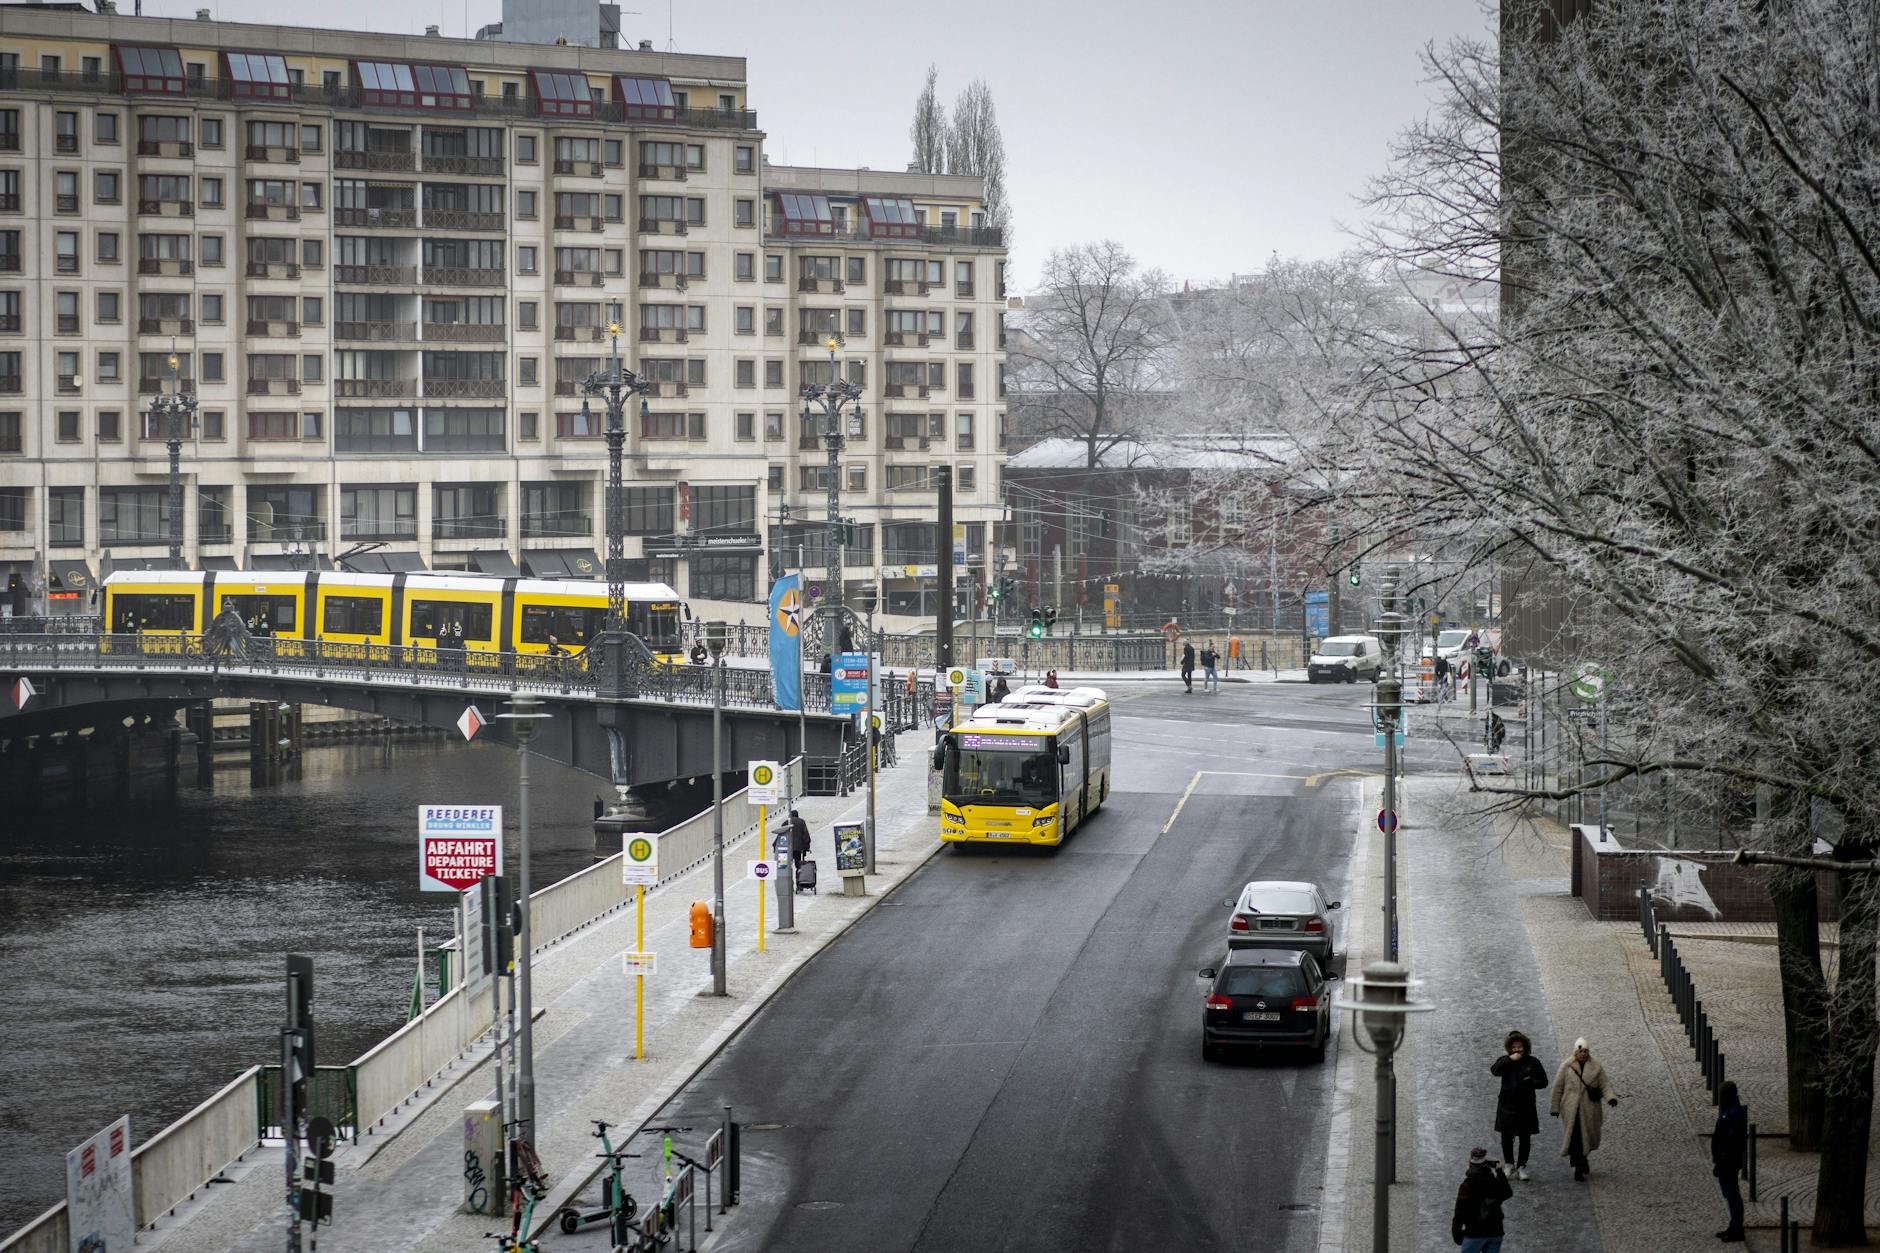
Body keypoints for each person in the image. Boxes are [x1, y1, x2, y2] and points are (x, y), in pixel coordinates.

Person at [1550, 1037, 1619, 1182]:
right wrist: (1555, 1107)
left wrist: (1611, 1098)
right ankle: (1578, 1167)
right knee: (1575, 1138)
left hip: (1589, 1109)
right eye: (1581, 1051)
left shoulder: (1596, 1067)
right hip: (1571, 1109)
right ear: (1576, 1052)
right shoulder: (1566, 1066)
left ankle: (1582, 1160)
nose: (1583, 1054)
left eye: (1586, 1051)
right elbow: (1558, 1087)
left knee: (1587, 1135)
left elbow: (1604, 1084)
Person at [1491, 1030, 1549, 1181]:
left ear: (1525, 1047)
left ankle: (1522, 1166)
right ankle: (1509, 1165)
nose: (1517, 1049)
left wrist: (1531, 1083)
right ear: (1509, 1048)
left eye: (1520, 1047)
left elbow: (1544, 1082)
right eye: (1514, 1047)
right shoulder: (1505, 1060)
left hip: (1526, 1106)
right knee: (1506, 1137)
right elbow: (1495, 1071)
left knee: (1525, 1137)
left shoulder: (1533, 1062)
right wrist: (1509, 1060)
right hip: (1507, 1105)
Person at [1451, 1146, 1513, 1251]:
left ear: (1470, 1164)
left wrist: (1456, 1235)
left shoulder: (1467, 1186)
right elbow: (1507, 1193)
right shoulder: (1494, 1182)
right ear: (1486, 1165)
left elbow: (1459, 1212)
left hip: (1474, 1234)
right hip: (1495, 1232)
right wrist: (1500, 1173)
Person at [1712, 1080, 1747, 1242]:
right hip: (1724, 1161)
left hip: (1728, 1162)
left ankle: (1737, 1229)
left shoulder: (1734, 1114)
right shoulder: (1730, 1111)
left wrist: (1722, 1159)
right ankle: (1734, 1225)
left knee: (1733, 1195)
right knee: (1730, 1194)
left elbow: (1731, 1140)